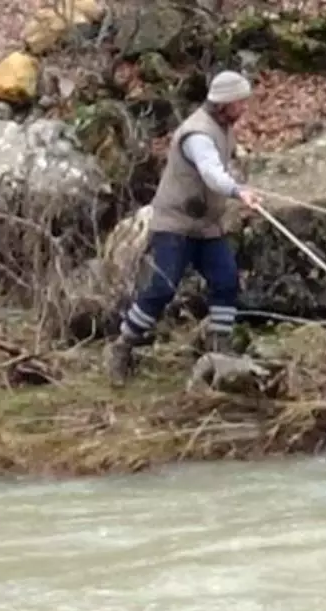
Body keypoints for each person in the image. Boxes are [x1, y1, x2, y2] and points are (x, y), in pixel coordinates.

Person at [106, 71, 262, 386]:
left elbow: (225, 164)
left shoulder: (223, 127)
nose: (245, 107)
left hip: (206, 225)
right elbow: (211, 173)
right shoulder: (198, 135)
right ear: (225, 103)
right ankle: (122, 345)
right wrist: (238, 191)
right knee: (162, 288)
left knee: (226, 281)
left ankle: (221, 352)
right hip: (174, 223)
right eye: (240, 102)